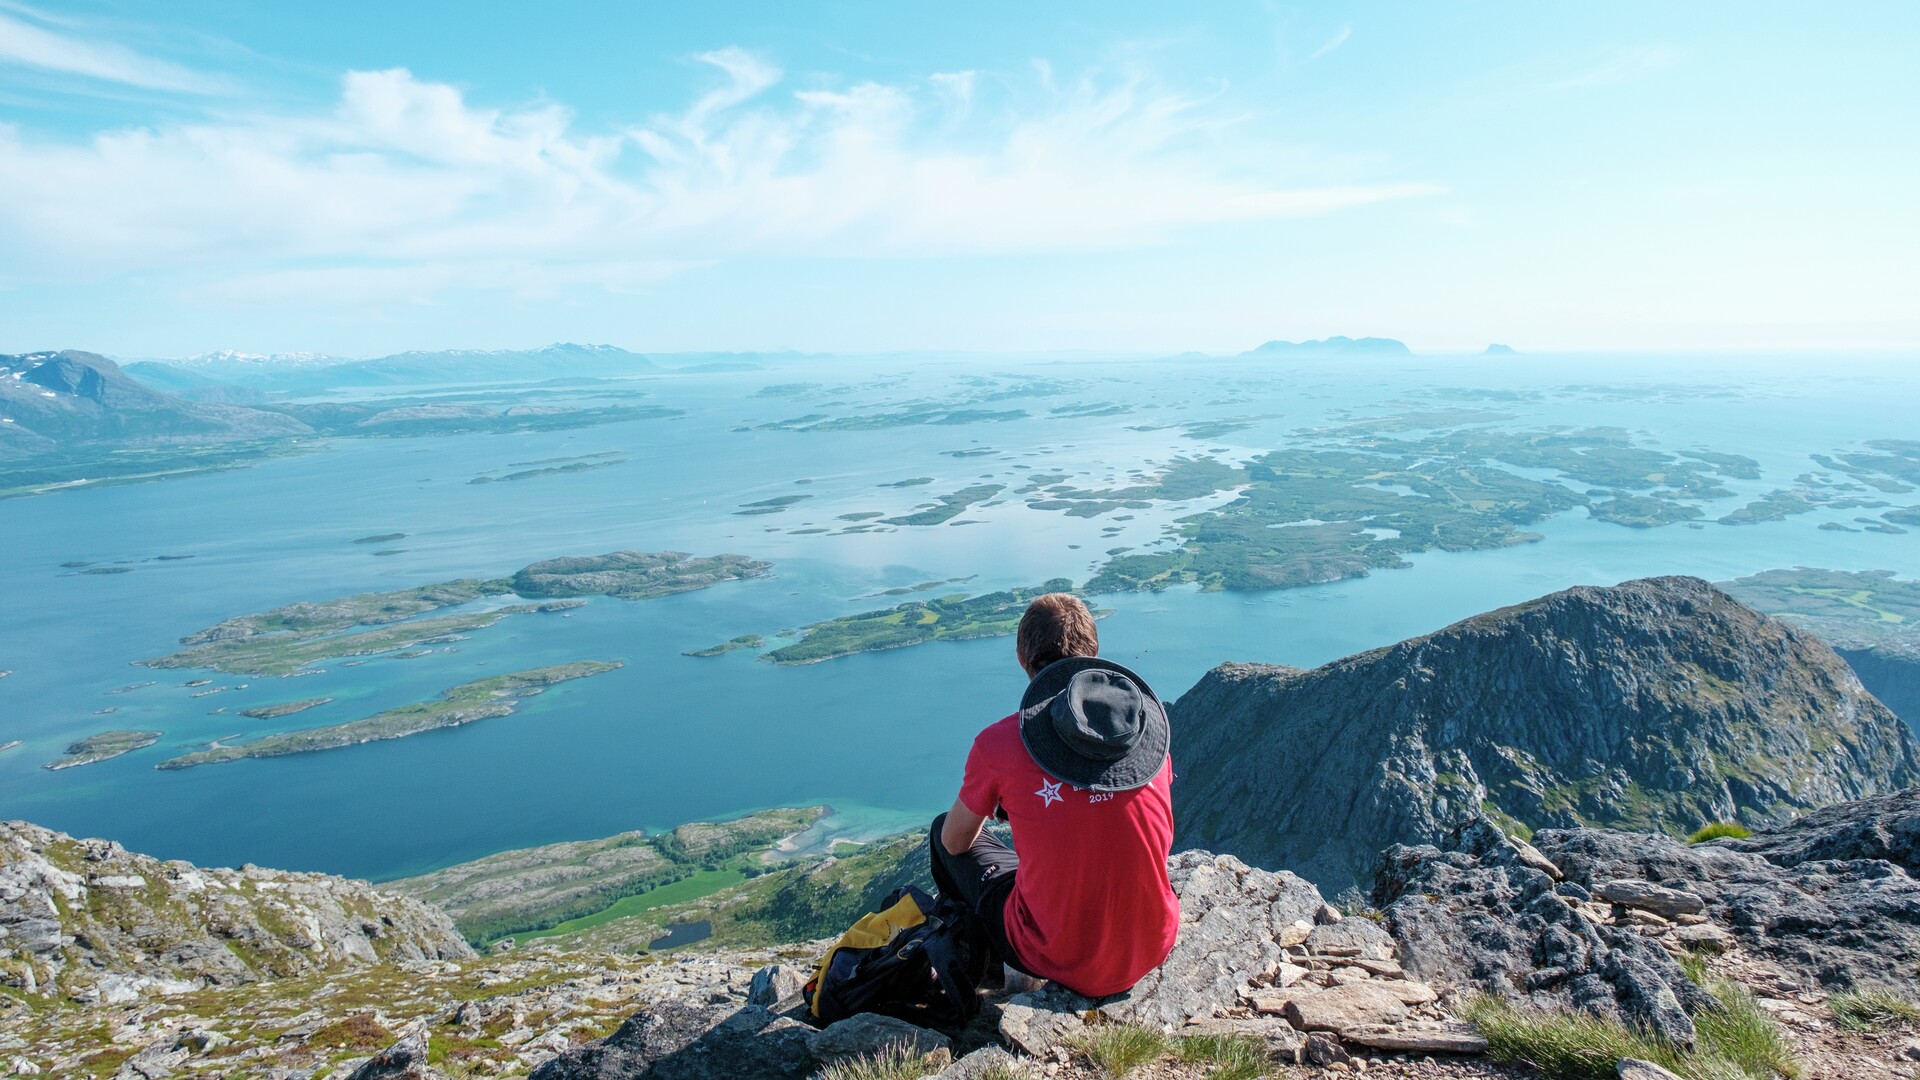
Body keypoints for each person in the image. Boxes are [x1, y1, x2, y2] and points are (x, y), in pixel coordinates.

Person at [928, 592, 1178, 999]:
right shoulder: (1144, 729)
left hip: (1055, 954)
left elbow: (956, 842)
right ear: (1095, 652)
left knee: (943, 833)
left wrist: (1006, 805)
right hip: (1152, 944)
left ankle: (985, 964)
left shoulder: (999, 744)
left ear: (1021, 658)